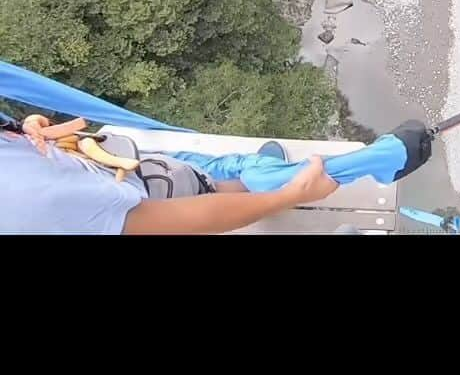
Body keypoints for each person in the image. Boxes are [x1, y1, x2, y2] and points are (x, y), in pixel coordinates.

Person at [0, 118, 431, 235]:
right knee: (242, 179)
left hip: (116, 170)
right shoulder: (31, 200)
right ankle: (384, 159)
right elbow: (190, 218)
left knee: (217, 165)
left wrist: (28, 129)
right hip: (148, 194)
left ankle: (258, 173)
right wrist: (292, 195)